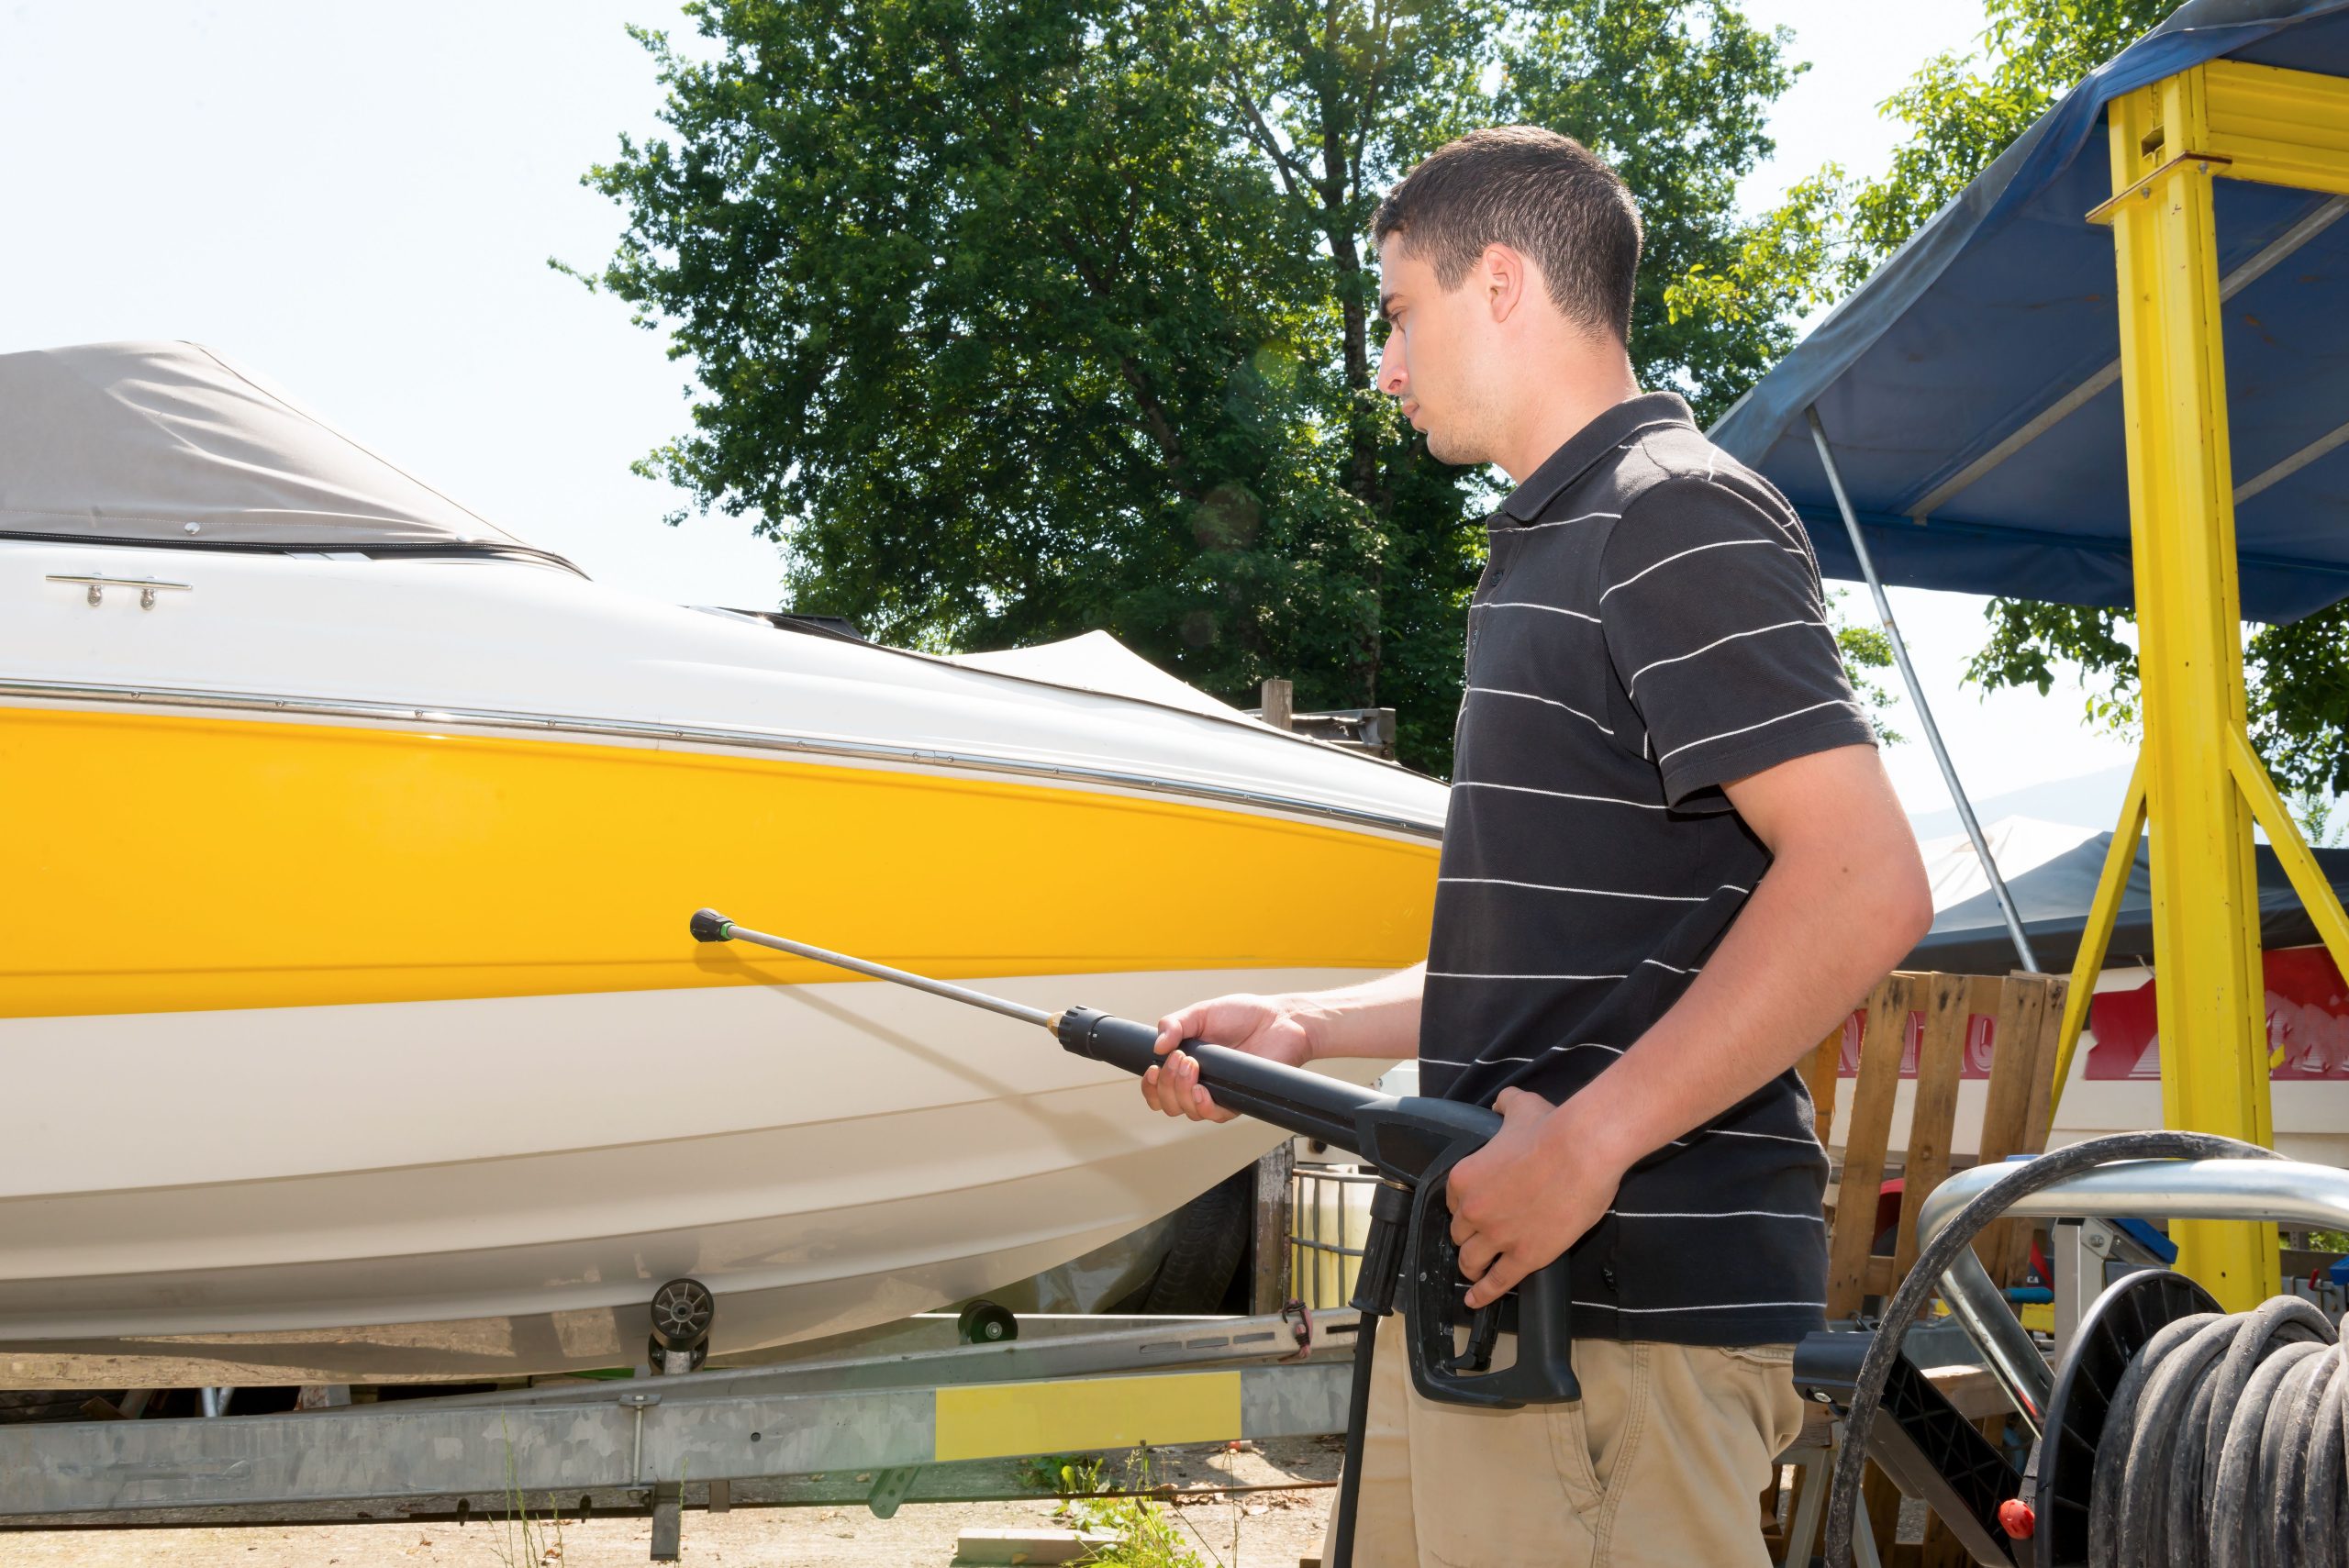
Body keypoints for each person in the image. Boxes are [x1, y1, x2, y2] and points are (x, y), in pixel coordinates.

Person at [1139, 126, 1933, 1568]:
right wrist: (1309, 1023)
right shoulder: (1554, 545)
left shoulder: (1673, 514)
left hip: (1620, 1324)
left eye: (1399, 311)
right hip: (1494, 1313)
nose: (1385, 365)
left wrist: (1596, 1143)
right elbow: (1559, 972)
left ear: (1499, 280)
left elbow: (1866, 879)